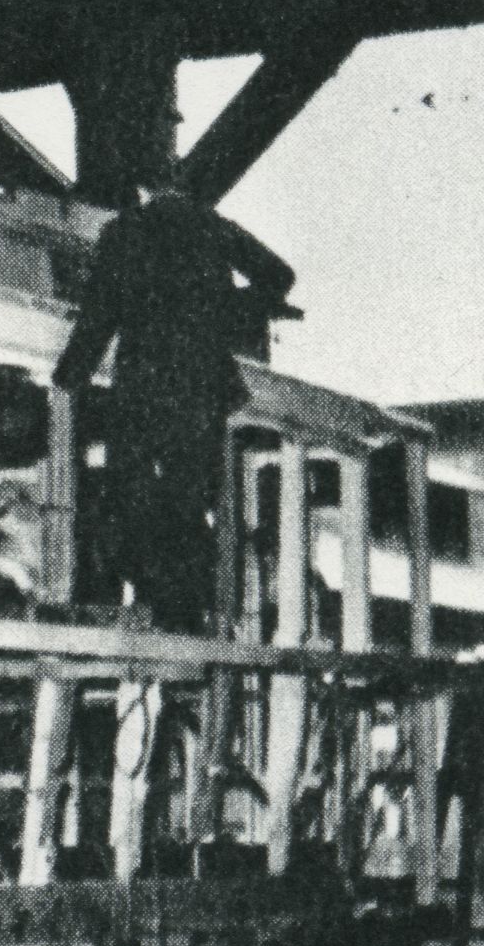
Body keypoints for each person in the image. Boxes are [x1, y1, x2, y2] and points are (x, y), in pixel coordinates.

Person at [53, 190, 300, 632]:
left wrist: (68, 378)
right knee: (186, 501)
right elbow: (279, 276)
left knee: (129, 496)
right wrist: (225, 311)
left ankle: (151, 597)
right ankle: (183, 611)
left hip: (142, 388)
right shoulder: (213, 227)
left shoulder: (124, 232)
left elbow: (98, 316)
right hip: (202, 386)